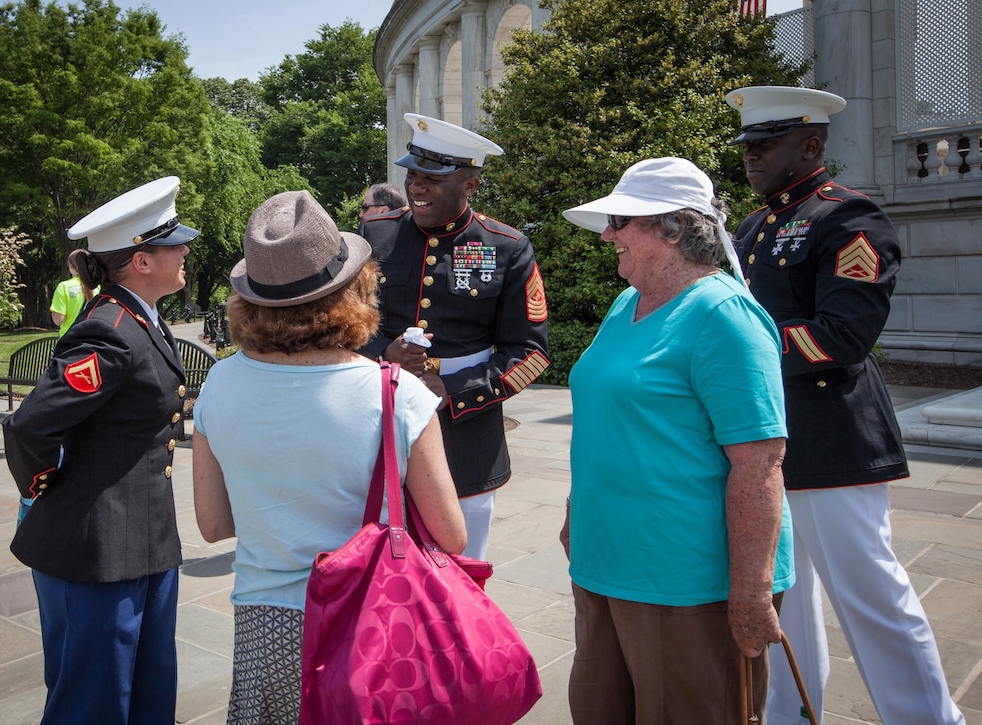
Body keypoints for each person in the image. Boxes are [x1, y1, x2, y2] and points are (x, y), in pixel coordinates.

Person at [726, 86, 966, 725]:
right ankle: (791, 714)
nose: (751, 158)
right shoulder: (752, 228)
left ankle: (926, 718)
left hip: (832, 437)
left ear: (812, 144)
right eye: (747, 146)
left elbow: (844, 334)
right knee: (784, 600)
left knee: (871, 598)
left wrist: (741, 351)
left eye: (766, 145)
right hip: (766, 443)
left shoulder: (850, 218)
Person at [192, 190, 466, 724]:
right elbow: (451, 535)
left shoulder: (219, 384)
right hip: (372, 623)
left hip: (264, 624)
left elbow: (213, 525)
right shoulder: (396, 392)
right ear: (353, 290)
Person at [559, 157, 793, 723]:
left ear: (673, 229)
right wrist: (578, 512)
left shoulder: (724, 316)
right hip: (605, 562)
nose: (608, 234)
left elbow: (760, 464)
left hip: (684, 582)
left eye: (622, 221)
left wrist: (752, 593)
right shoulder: (625, 303)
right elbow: (611, 421)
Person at [3, 176, 198, 724]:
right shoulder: (109, 331)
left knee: (148, 694)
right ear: (140, 260)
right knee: (92, 704)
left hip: (143, 541)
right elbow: (28, 428)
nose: (185, 250)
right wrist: (48, 491)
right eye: (175, 243)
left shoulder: (138, 318)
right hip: (96, 550)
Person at [358, 113, 550, 560]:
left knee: (463, 565)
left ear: (471, 184)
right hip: (379, 419)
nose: (416, 186)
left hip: (465, 435)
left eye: (433, 177)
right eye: (412, 174)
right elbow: (342, 322)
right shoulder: (375, 234)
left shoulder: (506, 246)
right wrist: (381, 349)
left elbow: (531, 353)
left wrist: (456, 390)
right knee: (381, 560)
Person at [50, 250, 98, 337]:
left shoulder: (64, 287)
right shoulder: (97, 287)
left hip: (69, 340)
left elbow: (58, 320)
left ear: (71, 266)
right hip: (93, 338)